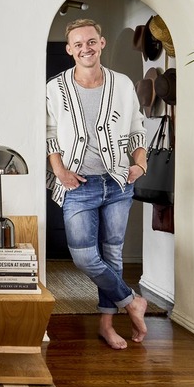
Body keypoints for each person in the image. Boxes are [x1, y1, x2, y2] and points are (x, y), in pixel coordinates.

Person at [46, 18, 149, 350]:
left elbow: (137, 126)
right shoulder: (55, 88)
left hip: (118, 182)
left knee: (112, 254)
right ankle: (131, 300)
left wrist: (140, 164)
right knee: (84, 257)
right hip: (78, 186)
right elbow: (49, 134)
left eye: (91, 41)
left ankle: (107, 325)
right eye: (78, 44)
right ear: (69, 50)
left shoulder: (122, 84)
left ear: (101, 43)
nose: (85, 48)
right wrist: (60, 171)